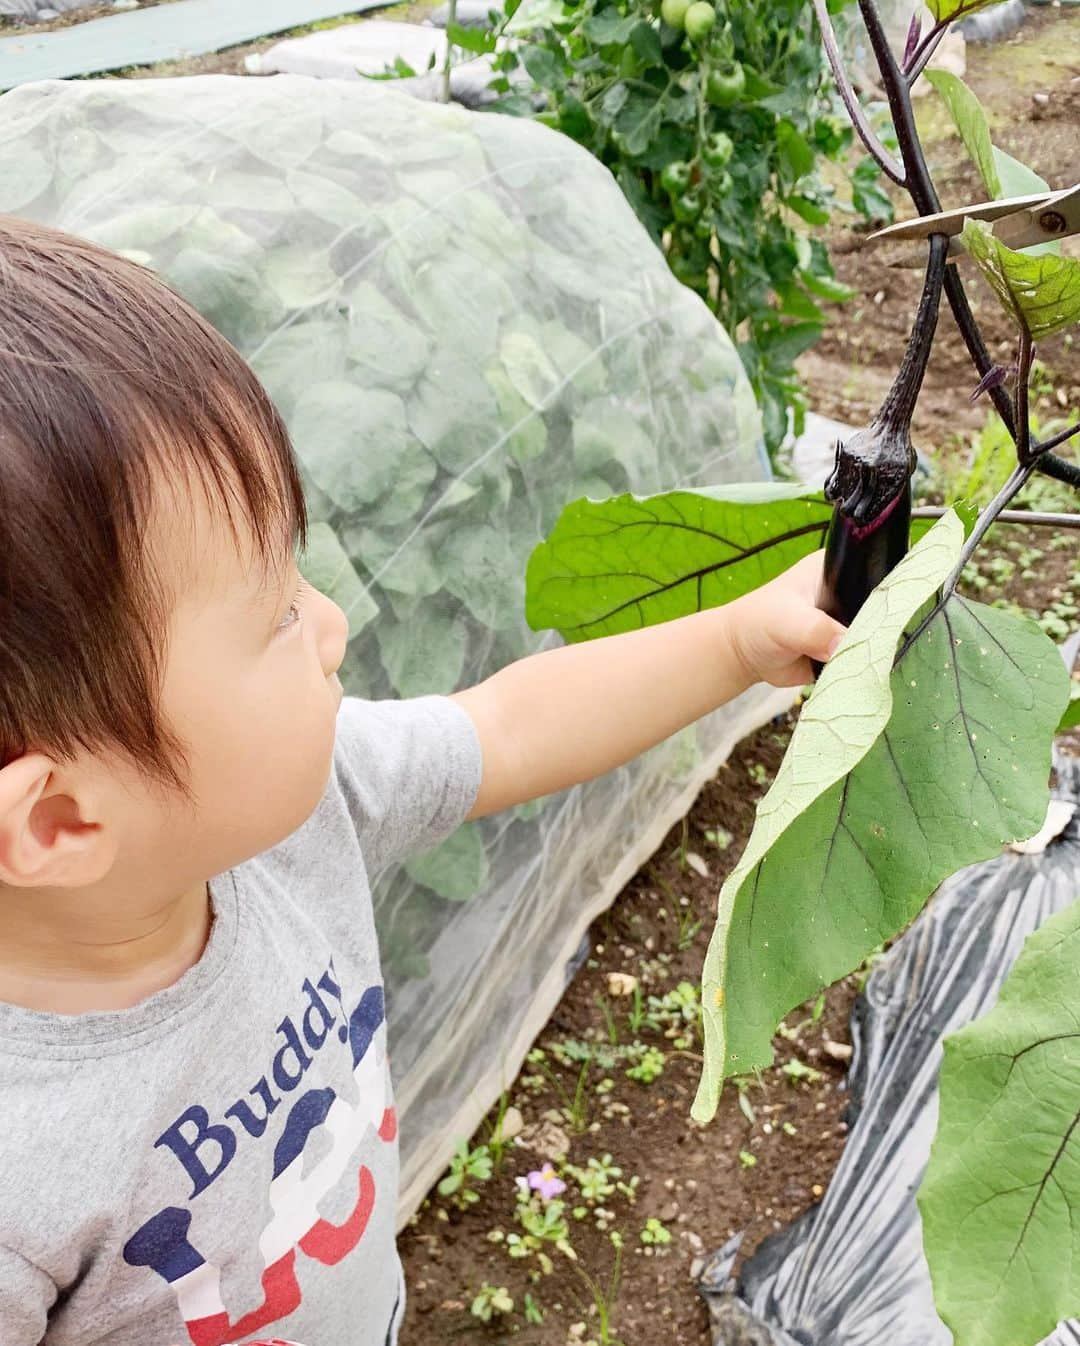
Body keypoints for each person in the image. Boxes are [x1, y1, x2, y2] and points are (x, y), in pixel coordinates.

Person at [0, 216, 844, 1346]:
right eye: (276, 616)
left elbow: (506, 723)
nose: (333, 624)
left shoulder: (289, 822)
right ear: (60, 819)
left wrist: (740, 637)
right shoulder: (25, 1171)